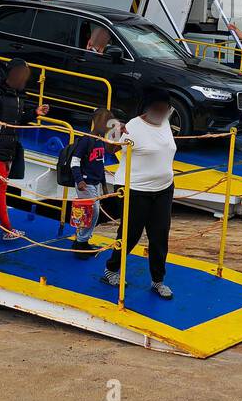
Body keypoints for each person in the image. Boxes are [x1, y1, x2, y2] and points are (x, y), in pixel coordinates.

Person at [103, 91, 177, 299]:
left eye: (166, 110)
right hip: (135, 190)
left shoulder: (165, 123)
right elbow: (109, 147)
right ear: (148, 109)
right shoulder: (133, 126)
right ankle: (111, 269)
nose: (163, 113)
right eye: (159, 110)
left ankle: (158, 280)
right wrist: (114, 129)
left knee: (160, 235)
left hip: (163, 189)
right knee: (130, 234)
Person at [0, 59, 49, 240]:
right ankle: (7, 229)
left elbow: (17, 121)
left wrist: (34, 113)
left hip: (7, 150)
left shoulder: (17, 96)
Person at [67, 108, 114, 257]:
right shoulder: (86, 140)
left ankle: (82, 239)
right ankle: (81, 243)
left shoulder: (100, 141)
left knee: (93, 213)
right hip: (85, 183)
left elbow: (100, 164)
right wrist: (79, 180)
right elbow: (75, 162)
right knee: (91, 213)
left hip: (95, 183)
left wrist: (104, 185)